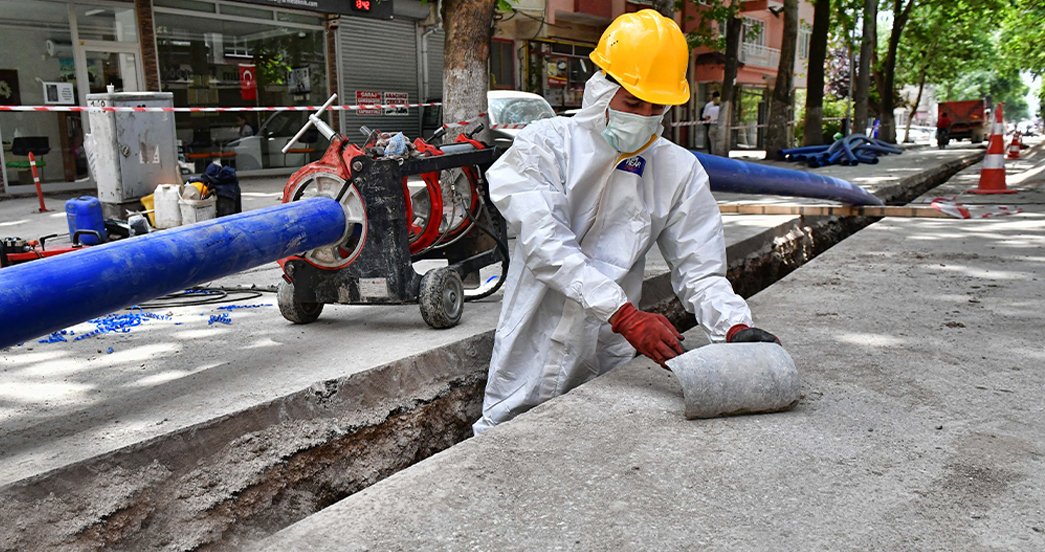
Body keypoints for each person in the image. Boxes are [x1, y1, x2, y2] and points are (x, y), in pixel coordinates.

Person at [473, 10, 778, 435]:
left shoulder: (679, 170)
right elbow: (547, 244)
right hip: (534, 336)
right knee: (505, 437)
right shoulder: (545, 146)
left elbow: (701, 271)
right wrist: (624, 315)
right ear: (601, 88)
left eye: (656, 106)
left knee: (597, 440)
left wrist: (733, 326)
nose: (644, 115)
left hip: (608, 348)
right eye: (633, 102)